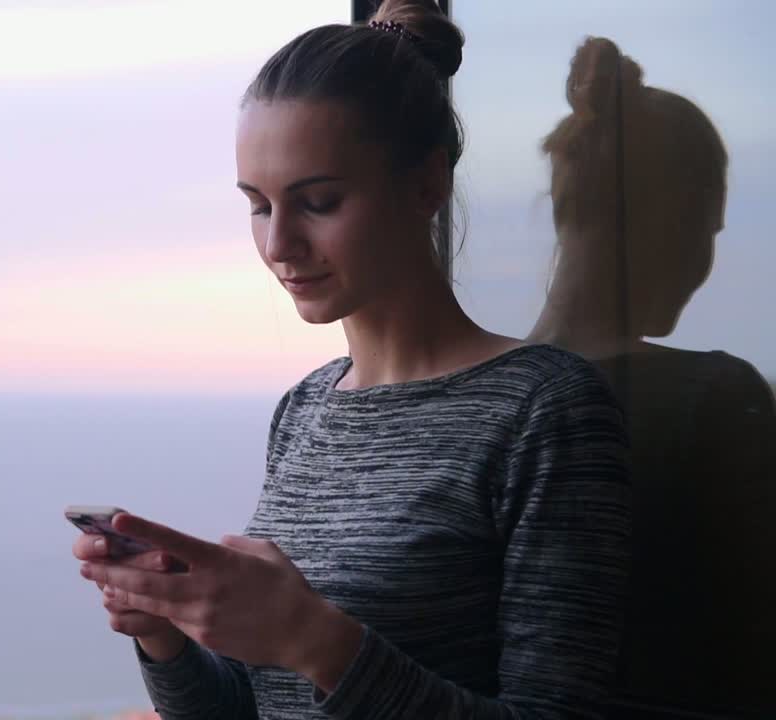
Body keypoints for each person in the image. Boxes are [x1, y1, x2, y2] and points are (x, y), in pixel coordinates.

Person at [71, 1, 632, 717]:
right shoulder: (305, 408)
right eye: (259, 206)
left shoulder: (545, 411)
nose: (279, 245)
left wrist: (312, 638)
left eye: (319, 201)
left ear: (427, 185)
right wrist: (165, 634)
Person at [528, 37, 776, 716]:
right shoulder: (714, 402)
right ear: (676, 219)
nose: (707, 262)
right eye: (711, 230)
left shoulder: (482, 389)